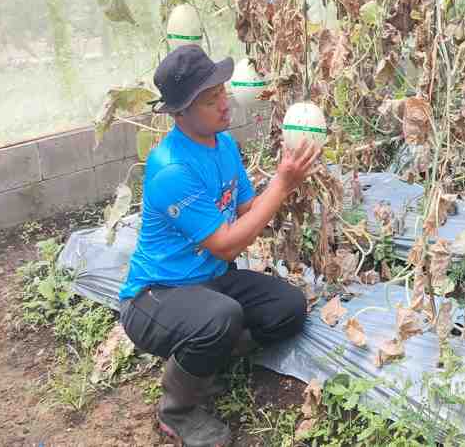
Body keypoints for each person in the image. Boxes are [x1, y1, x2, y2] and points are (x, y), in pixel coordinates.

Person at [118, 44, 319, 447]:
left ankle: (204, 362)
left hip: (209, 280)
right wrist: (282, 184)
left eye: (223, 92)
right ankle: (177, 409)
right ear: (181, 113)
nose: (225, 104)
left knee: (288, 308)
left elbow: (246, 210)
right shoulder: (172, 169)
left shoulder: (223, 144)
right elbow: (226, 245)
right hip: (155, 296)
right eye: (211, 100)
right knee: (220, 317)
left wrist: (286, 182)